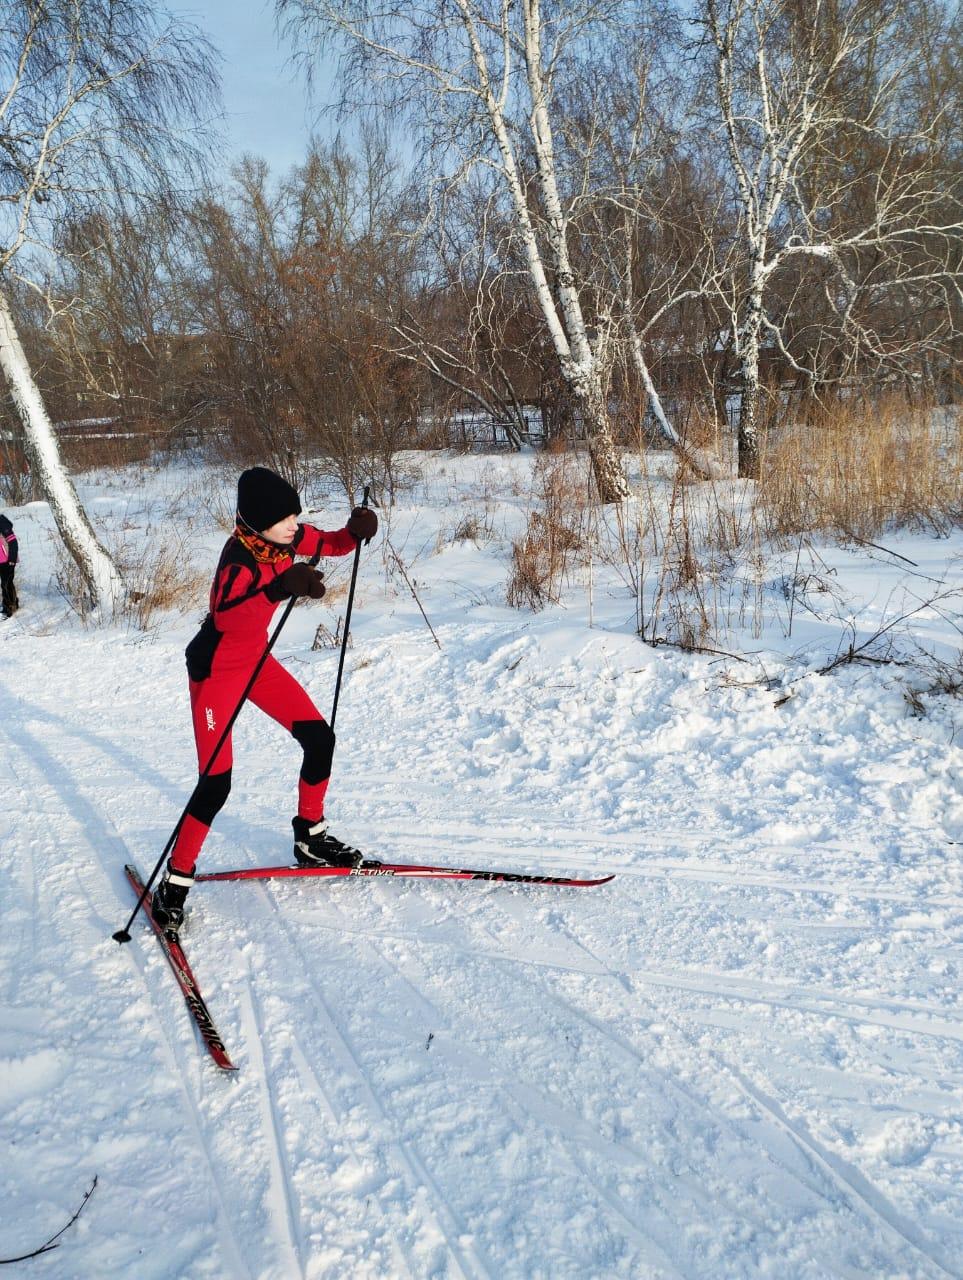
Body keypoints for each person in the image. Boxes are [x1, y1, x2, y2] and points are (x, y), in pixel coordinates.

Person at [151, 466, 378, 936]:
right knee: (215, 785)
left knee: (320, 739)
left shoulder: (285, 540)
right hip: (216, 673)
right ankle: (174, 884)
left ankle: (311, 838)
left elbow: (331, 543)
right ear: (259, 522)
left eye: (296, 516)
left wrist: (354, 532)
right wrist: (279, 587)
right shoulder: (240, 558)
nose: (297, 524)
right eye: (287, 518)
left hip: (255, 662)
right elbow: (226, 617)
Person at [0, 511, 19, 618]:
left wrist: (12, 558)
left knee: (6, 584)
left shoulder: (2, 522)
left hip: (7, 560)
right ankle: (12, 603)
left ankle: (9, 608)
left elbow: (13, 542)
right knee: (7, 583)